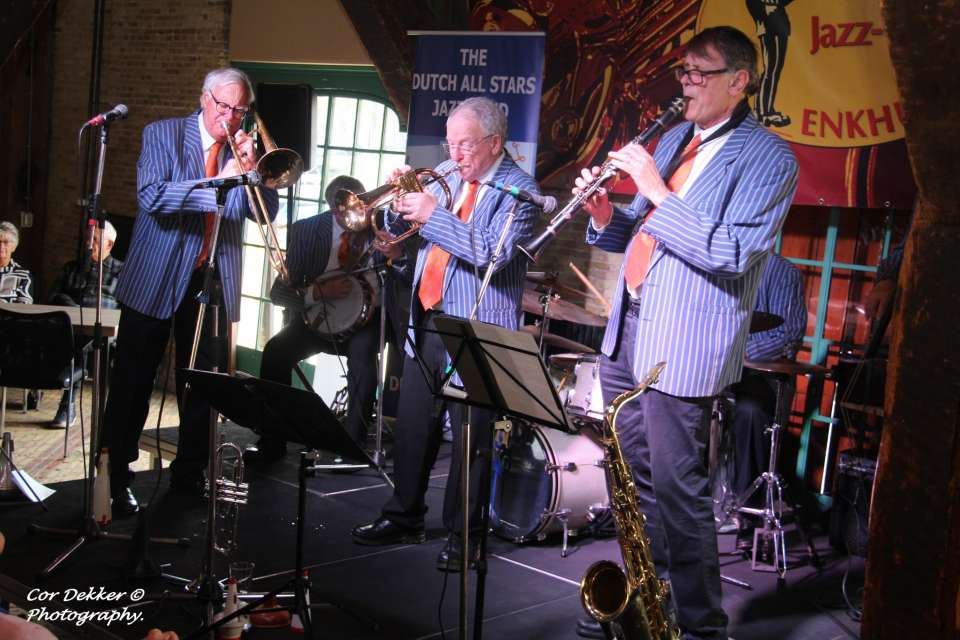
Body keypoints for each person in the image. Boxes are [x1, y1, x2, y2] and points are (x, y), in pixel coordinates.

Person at [573, 27, 798, 640]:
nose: (686, 84)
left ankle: (702, 626)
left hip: (682, 343)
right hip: (628, 329)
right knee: (632, 480)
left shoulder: (771, 159)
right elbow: (643, 233)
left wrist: (654, 187)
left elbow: (732, 253)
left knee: (677, 488)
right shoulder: (674, 139)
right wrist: (604, 215)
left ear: (739, 81)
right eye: (683, 72)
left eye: (701, 73)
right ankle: (647, 601)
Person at [351, 97, 539, 572]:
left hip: (476, 327)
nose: (454, 155)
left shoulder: (521, 192)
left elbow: (490, 254)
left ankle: (465, 536)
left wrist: (433, 213)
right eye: (450, 143)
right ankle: (404, 515)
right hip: (427, 316)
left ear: (494, 142)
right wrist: (399, 207)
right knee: (413, 427)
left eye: (465, 145)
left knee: (471, 441)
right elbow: (402, 233)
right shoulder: (447, 174)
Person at [100, 67, 277, 517]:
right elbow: (153, 197)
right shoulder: (162, 134)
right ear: (204, 99)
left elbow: (265, 213)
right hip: (156, 275)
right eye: (223, 106)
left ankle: (189, 474)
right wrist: (222, 182)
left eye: (239, 109)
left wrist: (254, 172)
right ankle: (115, 478)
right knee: (133, 384)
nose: (229, 117)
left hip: (211, 278)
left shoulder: (244, 148)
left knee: (202, 388)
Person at [247, 175, 403, 462]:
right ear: (334, 209)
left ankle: (353, 445)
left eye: (364, 204)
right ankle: (273, 440)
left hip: (365, 322)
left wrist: (396, 253)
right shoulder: (307, 231)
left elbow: (405, 272)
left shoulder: (383, 225)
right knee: (275, 352)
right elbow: (279, 292)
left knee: (363, 356)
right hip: (317, 321)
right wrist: (317, 293)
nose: (360, 213)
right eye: (350, 208)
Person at [728, 252, 806, 550]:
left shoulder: (783, 273)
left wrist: (739, 351)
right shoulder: (724, 264)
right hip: (723, 373)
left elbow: (789, 333)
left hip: (764, 378)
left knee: (749, 412)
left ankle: (747, 512)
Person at [45, 221, 125, 427]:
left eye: (95, 240)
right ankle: (63, 401)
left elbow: (129, 307)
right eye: (87, 239)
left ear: (109, 244)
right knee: (73, 340)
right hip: (71, 328)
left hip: (106, 332)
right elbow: (52, 296)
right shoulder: (72, 268)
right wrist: (69, 304)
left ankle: (69, 405)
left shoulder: (121, 271)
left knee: (83, 343)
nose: (89, 244)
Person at [0, 222, 32, 304]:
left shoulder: (23, 275)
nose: (1, 246)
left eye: (6, 242)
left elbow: (25, 306)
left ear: (13, 247)